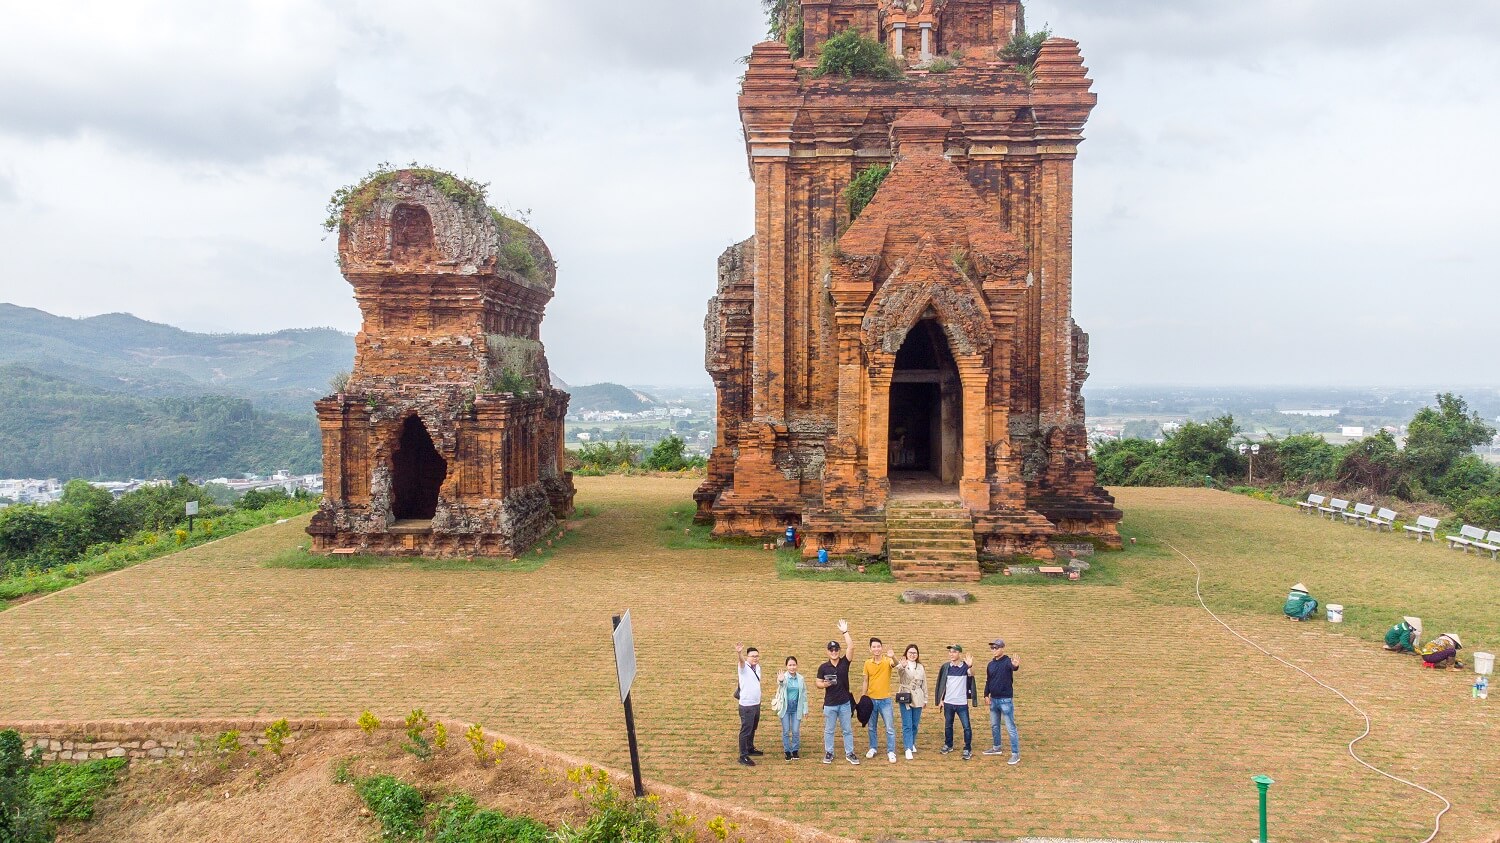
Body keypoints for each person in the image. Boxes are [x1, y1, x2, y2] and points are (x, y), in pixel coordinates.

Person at [816, 620, 859, 765]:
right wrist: (824, 684)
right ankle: (829, 753)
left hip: (845, 703)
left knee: (847, 730)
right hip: (830, 704)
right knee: (829, 730)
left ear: (839, 651)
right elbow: (817, 682)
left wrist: (845, 632)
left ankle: (850, 753)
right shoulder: (823, 667)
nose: (834, 652)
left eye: (836, 650)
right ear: (827, 652)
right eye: (831, 650)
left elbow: (851, 647)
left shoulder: (845, 662)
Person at [982, 638, 1021, 765]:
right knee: (994, 725)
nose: (994, 650)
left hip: (1005, 700)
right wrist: (986, 694)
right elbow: (989, 680)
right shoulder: (991, 664)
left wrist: (1015, 665)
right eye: (992, 648)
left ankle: (1015, 754)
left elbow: (1013, 667)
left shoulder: (1007, 662)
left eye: (996, 647)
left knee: (1010, 727)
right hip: (994, 700)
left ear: (1002, 648)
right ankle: (996, 747)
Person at [935, 644, 976, 760]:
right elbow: (943, 684)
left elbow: (973, 674)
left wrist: (970, 665)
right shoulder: (946, 667)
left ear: (959, 654)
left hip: (961, 703)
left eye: (954, 652)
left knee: (966, 726)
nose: (951, 654)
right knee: (948, 725)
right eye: (950, 652)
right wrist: (941, 700)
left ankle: (967, 748)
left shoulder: (965, 667)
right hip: (948, 702)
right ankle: (948, 744)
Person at [863, 636, 899, 763]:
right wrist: (863, 697)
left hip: (885, 700)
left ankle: (891, 751)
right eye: (874, 647)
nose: (876, 649)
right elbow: (866, 680)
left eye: (878, 646)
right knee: (872, 727)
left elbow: (897, 664)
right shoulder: (867, 663)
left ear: (881, 648)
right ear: (870, 649)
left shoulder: (887, 660)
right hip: (871, 699)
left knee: (889, 727)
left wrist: (893, 656)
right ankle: (873, 748)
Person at [772, 656, 808, 761]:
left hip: (797, 707)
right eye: (790, 665)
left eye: (794, 665)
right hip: (786, 707)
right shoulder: (784, 677)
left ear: (796, 665)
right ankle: (787, 751)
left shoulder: (801, 678)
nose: (792, 667)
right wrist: (781, 680)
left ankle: (795, 750)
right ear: (786, 666)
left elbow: (804, 694)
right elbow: (781, 684)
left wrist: (805, 709)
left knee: (796, 731)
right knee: (786, 731)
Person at [895, 644, 927, 761]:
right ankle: (908, 748)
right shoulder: (903, 665)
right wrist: (902, 666)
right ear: (906, 654)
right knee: (907, 724)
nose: (912, 655)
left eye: (915, 653)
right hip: (906, 696)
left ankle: (912, 742)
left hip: (918, 696)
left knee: (915, 723)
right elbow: (900, 672)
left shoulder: (920, 667)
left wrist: (925, 699)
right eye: (910, 653)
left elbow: (924, 684)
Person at [735, 644, 763, 767]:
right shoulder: (744, 667)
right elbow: (741, 662)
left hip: (756, 703)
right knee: (745, 730)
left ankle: (750, 747)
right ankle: (743, 755)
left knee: (753, 728)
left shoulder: (757, 667)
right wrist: (739, 653)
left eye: (757, 656)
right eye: (752, 656)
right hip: (747, 705)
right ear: (747, 657)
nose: (755, 658)